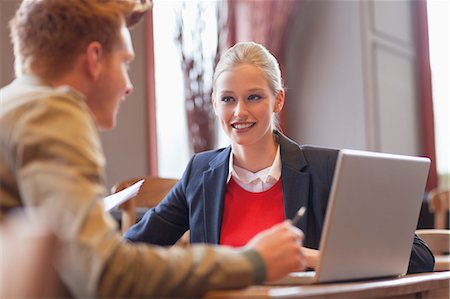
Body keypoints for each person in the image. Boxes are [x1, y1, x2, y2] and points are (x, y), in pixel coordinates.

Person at [0, 1, 307, 298]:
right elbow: (105, 274)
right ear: (94, 59)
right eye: (125, 62)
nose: (128, 85)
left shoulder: (17, 105)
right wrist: (252, 261)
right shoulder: (49, 111)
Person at [124, 41, 435, 274]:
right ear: (215, 104)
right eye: (228, 99)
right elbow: (129, 252)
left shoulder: (326, 169)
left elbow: (417, 256)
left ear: (278, 100)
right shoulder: (200, 172)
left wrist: (314, 259)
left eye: (254, 97)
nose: (239, 112)